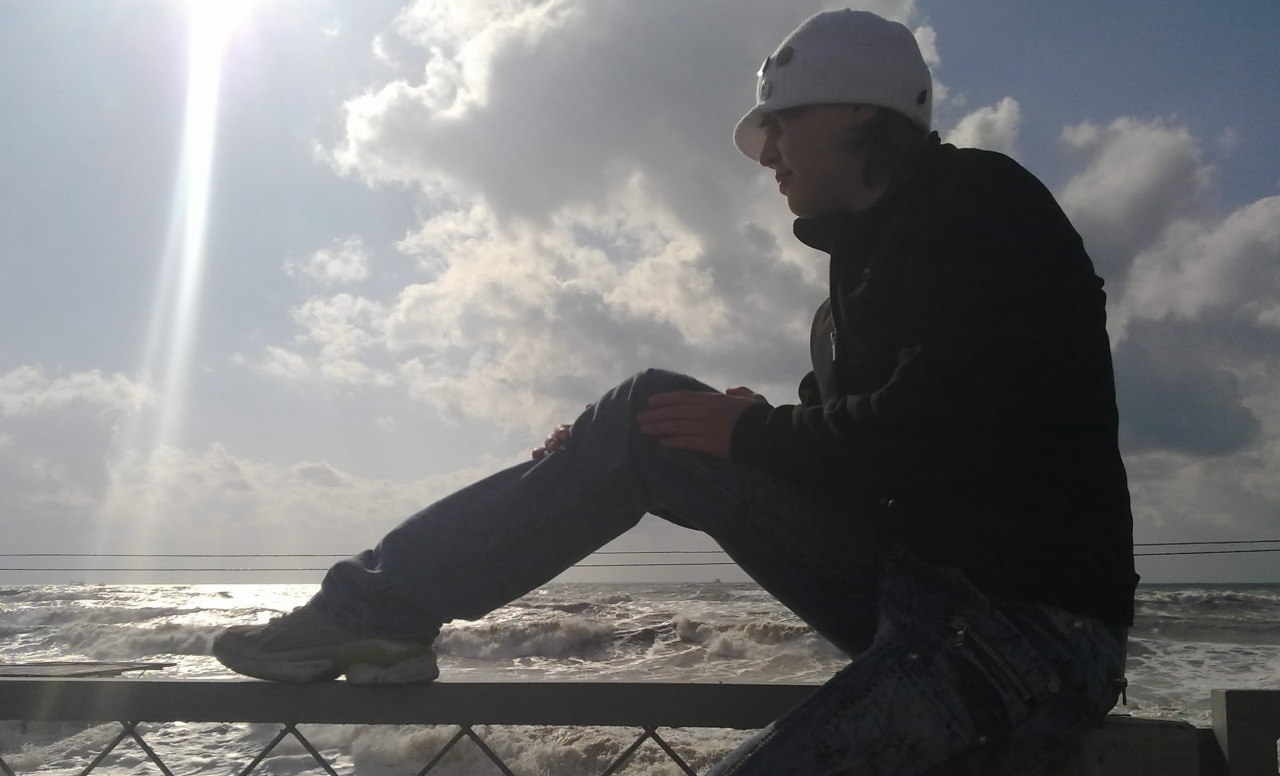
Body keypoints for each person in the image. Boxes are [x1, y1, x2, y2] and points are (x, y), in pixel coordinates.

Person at [214, 9, 1137, 774]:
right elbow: (844, 448)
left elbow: (930, 433)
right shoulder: (849, 287)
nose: (767, 153)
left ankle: (373, 611)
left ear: (860, 107)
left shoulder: (979, 200)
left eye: (780, 123)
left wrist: (752, 432)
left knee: (669, 419)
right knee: (650, 418)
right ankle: (377, 617)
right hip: (915, 597)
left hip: (1028, 637)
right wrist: (643, 446)